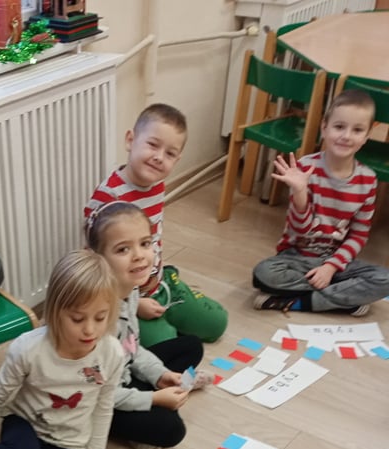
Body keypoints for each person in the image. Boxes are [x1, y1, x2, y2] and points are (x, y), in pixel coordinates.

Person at [0, 249, 124, 449]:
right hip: (24, 424)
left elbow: (104, 407)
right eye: (77, 319)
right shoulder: (28, 348)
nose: (89, 330)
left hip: (68, 441)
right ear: (55, 311)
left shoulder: (112, 353)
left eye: (100, 318)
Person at [85, 102, 228, 349]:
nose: (159, 158)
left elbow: (154, 238)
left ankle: (168, 289)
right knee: (166, 349)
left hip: (158, 283)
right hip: (124, 297)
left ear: (177, 159)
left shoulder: (157, 185)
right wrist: (132, 303)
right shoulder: (109, 197)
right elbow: (95, 265)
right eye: (152, 145)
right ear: (130, 140)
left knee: (217, 322)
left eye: (170, 154)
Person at [253, 88, 389, 315]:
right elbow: (299, 231)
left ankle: (297, 302)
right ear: (324, 128)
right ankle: (344, 299)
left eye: (357, 130)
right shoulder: (305, 168)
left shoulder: (368, 180)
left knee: (384, 279)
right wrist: (299, 192)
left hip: (337, 263)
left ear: (366, 136)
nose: (346, 136)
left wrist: (331, 267)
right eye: (339, 126)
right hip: (296, 258)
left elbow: (359, 235)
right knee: (263, 273)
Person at [86, 201, 205, 449]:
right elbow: (98, 390)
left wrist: (159, 374)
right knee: (172, 430)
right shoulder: (95, 319)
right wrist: (152, 398)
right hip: (99, 397)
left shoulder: (129, 289)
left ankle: (158, 392)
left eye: (145, 243)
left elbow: (132, 348)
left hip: (123, 373)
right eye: (123, 249)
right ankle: (129, 421)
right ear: (98, 258)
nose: (139, 255)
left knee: (192, 345)